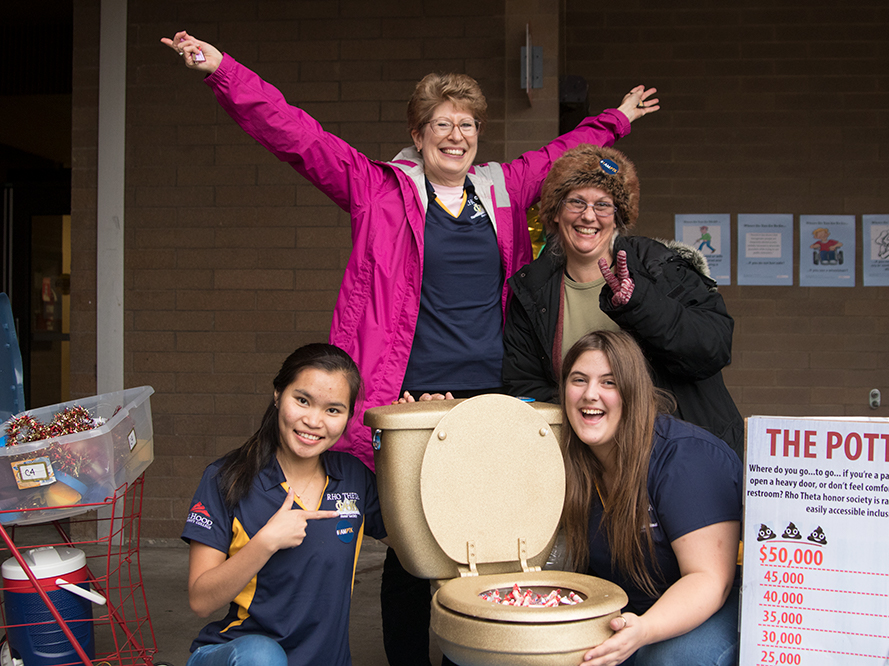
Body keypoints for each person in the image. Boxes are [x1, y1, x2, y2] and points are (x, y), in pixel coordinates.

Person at [161, 31, 659, 666]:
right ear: (418, 135)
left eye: (468, 124)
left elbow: (564, 154)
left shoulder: (503, 190)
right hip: (409, 402)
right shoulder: (377, 188)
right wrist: (222, 70)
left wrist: (615, 119)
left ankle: (469, 656)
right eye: (441, 123)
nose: (457, 135)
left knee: (491, 544)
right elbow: (296, 134)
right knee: (412, 548)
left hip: (492, 396)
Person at [502, 144, 744, 455]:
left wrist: (639, 303)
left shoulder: (658, 266)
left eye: (603, 205)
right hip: (592, 465)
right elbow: (526, 388)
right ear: (555, 212)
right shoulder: (531, 290)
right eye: (576, 202)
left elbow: (713, 347)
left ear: (618, 218)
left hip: (681, 455)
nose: (589, 215)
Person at [181, 343, 386, 666]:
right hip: (239, 656)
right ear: (278, 395)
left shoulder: (354, 479)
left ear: (347, 417)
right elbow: (200, 600)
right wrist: (265, 543)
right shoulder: (227, 478)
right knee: (262, 657)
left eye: (333, 410)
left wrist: (425, 430)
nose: (314, 421)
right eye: (302, 400)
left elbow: (419, 542)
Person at [558, 330, 741, 666]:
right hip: (630, 609)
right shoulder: (571, 456)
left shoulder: (685, 458)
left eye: (609, 382)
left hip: (712, 603)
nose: (590, 394)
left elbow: (709, 579)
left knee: (673, 658)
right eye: (579, 380)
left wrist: (643, 630)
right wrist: (443, 412)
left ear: (634, 392)